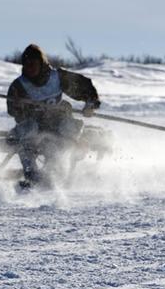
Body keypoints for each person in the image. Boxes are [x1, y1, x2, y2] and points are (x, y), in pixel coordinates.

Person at [6, 43, 101, 188]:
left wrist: (91, 103)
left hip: (58, 125)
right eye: (26, 64)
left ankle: (53, 173)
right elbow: (13, 111)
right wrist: (17, 106)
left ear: (41, 63)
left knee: (67, 131)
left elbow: (84, 86)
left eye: (33, 63)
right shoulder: (19, 86)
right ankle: (31, 174)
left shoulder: (57, 78)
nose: (29, 67)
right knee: (26, 135)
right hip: (34, 128)